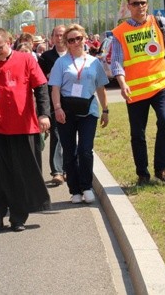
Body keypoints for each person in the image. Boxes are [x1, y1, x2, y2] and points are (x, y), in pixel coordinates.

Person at [0, 28, 51, 232]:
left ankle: (18, 217)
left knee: (20, 174)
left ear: (9, 41)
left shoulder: (26, 60)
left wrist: (44, 114)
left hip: (23, 127)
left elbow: (41, 88)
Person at [110, 0, 165, 185]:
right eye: (135, 3)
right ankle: (143, 174)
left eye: (143, 2)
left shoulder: (159, 22)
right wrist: (122, 84)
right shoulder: (120, 32)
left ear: (147, 4)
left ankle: (161, 169)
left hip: (161, 86)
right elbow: (116, 62)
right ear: (128, 7)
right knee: (137, 133)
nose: (140, 6)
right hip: (136, 91)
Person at [49, 24, 109, 204]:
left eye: (78, 38)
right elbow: (55, 88)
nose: (75, 42)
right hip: (66, 111)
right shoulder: (61, 62)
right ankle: (74, 190)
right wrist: (57, 108)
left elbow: (100, 87)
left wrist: (105, 110)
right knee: (69, 152)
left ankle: (86, 186)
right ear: (66, 43)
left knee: (85, 150)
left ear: (85, 39)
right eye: (71, 40)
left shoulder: (94, 62)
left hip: (88, 110)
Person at [38, 25, 68, 185]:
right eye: (56, 35)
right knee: (56, 134)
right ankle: (57, 171)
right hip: (54, 101)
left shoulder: (73, 54)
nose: (59, 38)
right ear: (52, 38)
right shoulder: (45, 57)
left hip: (72, 100)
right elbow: (40, 80)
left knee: (71, 135)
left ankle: (68, 168)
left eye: (62, 34)